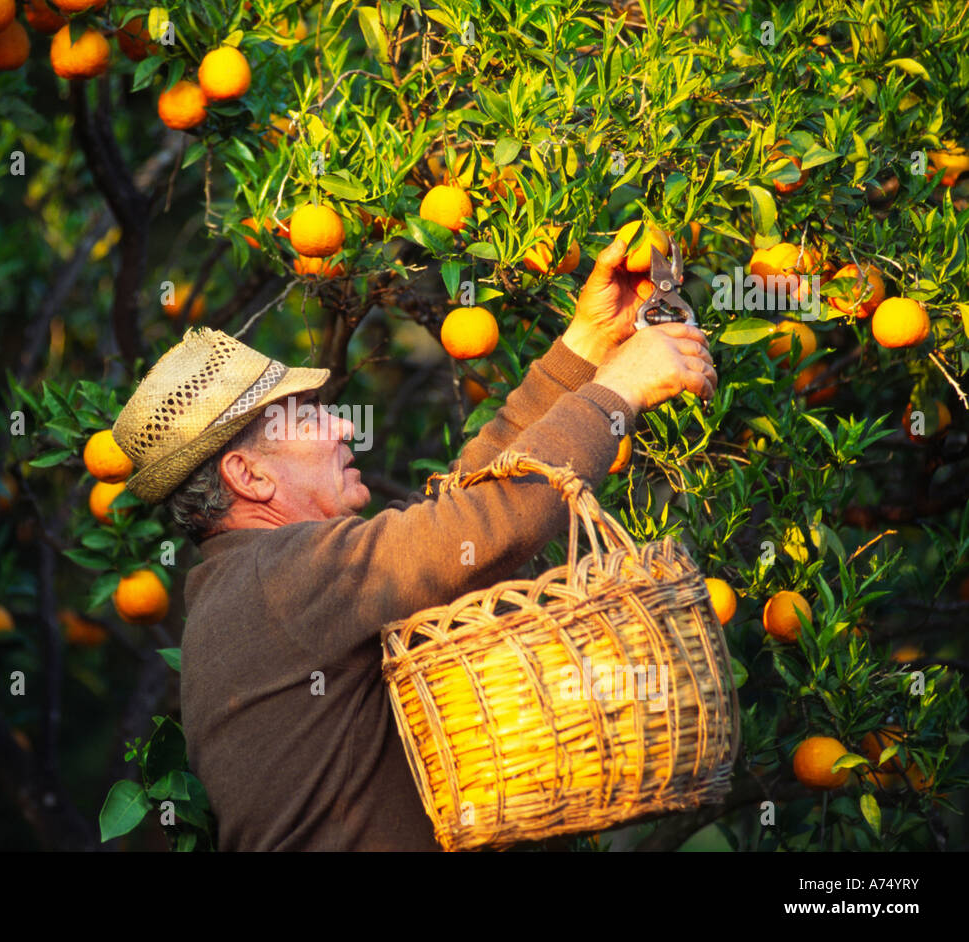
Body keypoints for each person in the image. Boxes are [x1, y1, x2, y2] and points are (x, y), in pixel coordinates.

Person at [111, 237, 717, 850]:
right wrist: (618, 389)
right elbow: (494, 521)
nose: (344, 426)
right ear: (249, 476)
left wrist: (586, 344)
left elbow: (461, 511)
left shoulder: (255, 582)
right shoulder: (284, 577)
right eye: (308, 417)